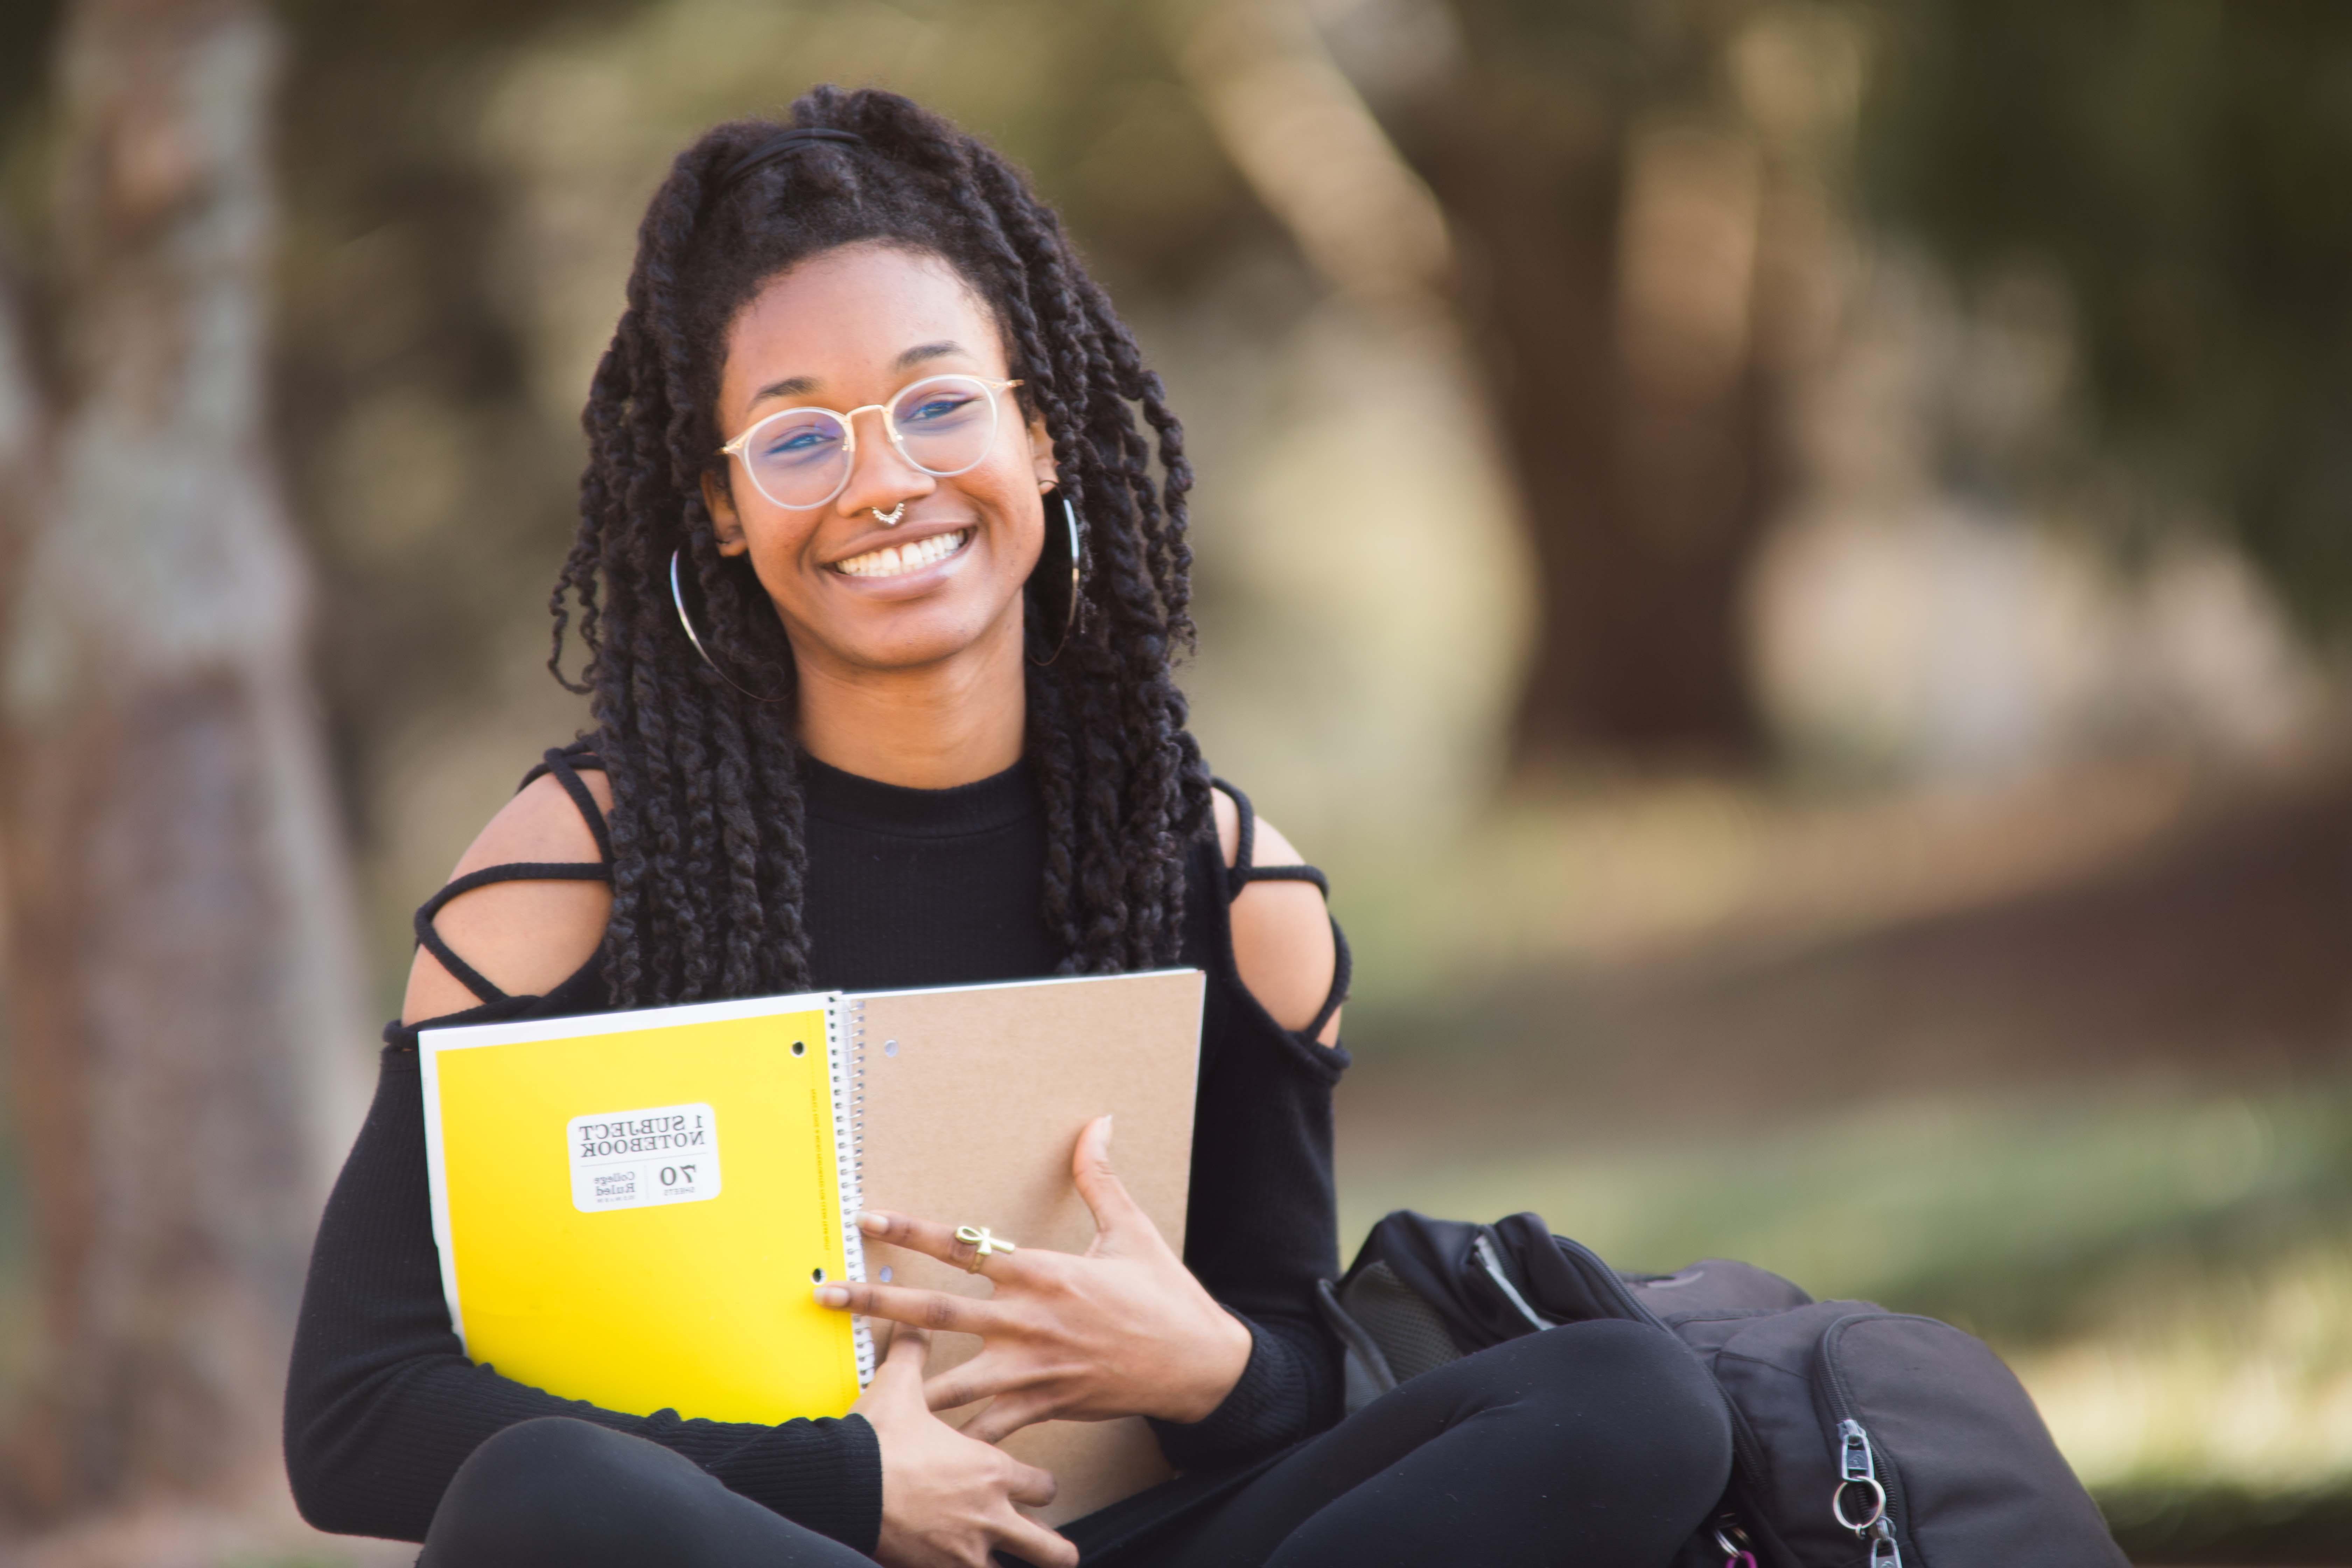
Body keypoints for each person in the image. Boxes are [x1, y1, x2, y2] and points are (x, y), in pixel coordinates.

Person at [282, 87, 1730, 1568]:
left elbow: (1299, 1385)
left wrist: (1209, 1367)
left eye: (939, 404)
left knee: (1627, 1397)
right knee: (545, 1497)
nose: (886, 482)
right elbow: (354, 1415)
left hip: (1128, 1545)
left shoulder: (1230, 886)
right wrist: (839, 1482)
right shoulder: (573, 874)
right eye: (796, 441)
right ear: (719, 508)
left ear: (1040, 433)